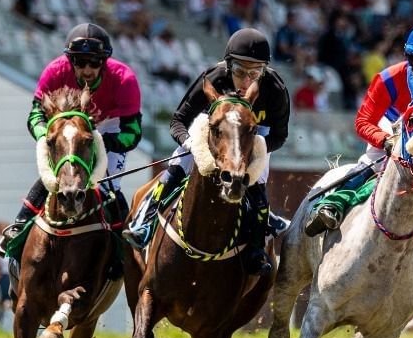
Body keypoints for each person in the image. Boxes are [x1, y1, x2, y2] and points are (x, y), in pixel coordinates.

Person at [302, 17, 413, 276]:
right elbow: (363, 121)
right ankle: (333, 206)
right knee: (371, 165)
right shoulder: (388, 78)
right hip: (392, 127)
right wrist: (385, 141)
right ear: (410, 59)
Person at [124, 29, 290, 283]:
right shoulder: (213, 78)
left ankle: (257, 247)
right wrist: (191, 144)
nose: (246, 80)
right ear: (228, 66)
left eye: (254, 73)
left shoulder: (275, 89)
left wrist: (253, 147)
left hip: (251, 137)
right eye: (239, 71)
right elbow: (178, 121)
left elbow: (279, 135)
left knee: (257, 180)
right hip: (208, 132)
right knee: (178, 164)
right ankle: (145, 222)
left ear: (264, 71)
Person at [0, 23, 143, 257]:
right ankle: (19, 224)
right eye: (79, 61)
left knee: (107, 183)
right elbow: (35, 115)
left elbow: (133, 132)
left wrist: (101, 143)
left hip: (109, 126)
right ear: (70, 61)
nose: (86, 69)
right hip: (66, 127)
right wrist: (48, 137)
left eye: (94, 62)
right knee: (57, 174)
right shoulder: (54, 71)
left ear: (104, 62)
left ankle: (124, 244)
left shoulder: (124, 79)